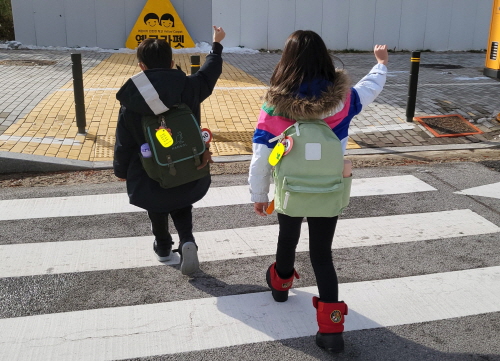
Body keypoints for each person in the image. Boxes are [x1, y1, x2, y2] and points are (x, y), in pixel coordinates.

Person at [248, 30, 388, 353]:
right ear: (325, 59)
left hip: (290, 190)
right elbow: (370, 89)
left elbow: (260, 156)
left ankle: (281, 283)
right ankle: (332, 331)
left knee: (288, 236)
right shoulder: (343, 100)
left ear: (286, 62)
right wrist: (380, 64)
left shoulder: (274, 106)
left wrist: (259, 195)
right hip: (329, 190)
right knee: (322, 256)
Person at [114, 26, 226, 276]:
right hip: (187, 158)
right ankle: (187, 239)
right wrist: (216, 45)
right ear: (173, 61)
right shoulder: (189, 86)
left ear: (141, 66)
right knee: (182, 200)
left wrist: (120, 169)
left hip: (148, 164)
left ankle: (163, 246)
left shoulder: (133, 97)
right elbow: (210, 73)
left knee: (157, 203)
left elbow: (124, 139)